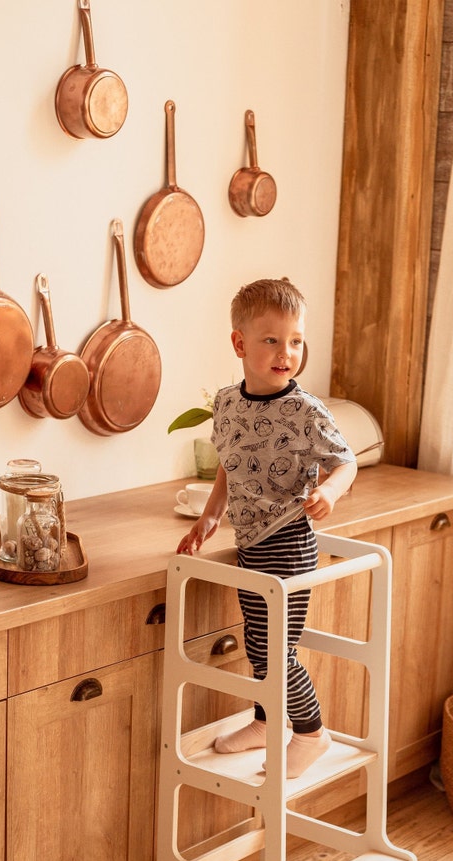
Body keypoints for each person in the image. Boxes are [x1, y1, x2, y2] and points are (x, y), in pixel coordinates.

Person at [176, 277, 357, 778]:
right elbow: (230, 466)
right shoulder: (228, 404)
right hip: (250, 544)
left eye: (296, 340)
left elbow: (347, 463)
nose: (287, 352)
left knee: (278, 652)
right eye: (272, 340)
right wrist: (210, 517)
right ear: (240, 343)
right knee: (259, 643)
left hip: (290, 541)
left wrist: (330, 492)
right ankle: (264, 721)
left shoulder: (305, 411)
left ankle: (311, 733)